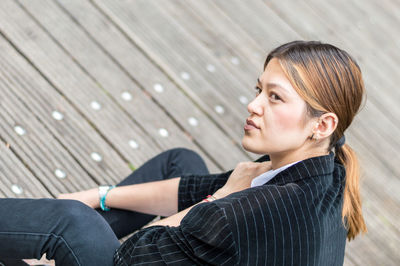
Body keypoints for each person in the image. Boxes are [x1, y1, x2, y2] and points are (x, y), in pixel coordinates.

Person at [0, 40, 367, 266]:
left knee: (72, 222)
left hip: (137, 260)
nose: (253, 105)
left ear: (322, 124)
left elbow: (130, 257)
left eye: (274, 97)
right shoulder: (320, 166)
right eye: (259, 89)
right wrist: (97, 196)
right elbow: (198, 190)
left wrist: (222, 196)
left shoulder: (250, 213)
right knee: (180, 162)